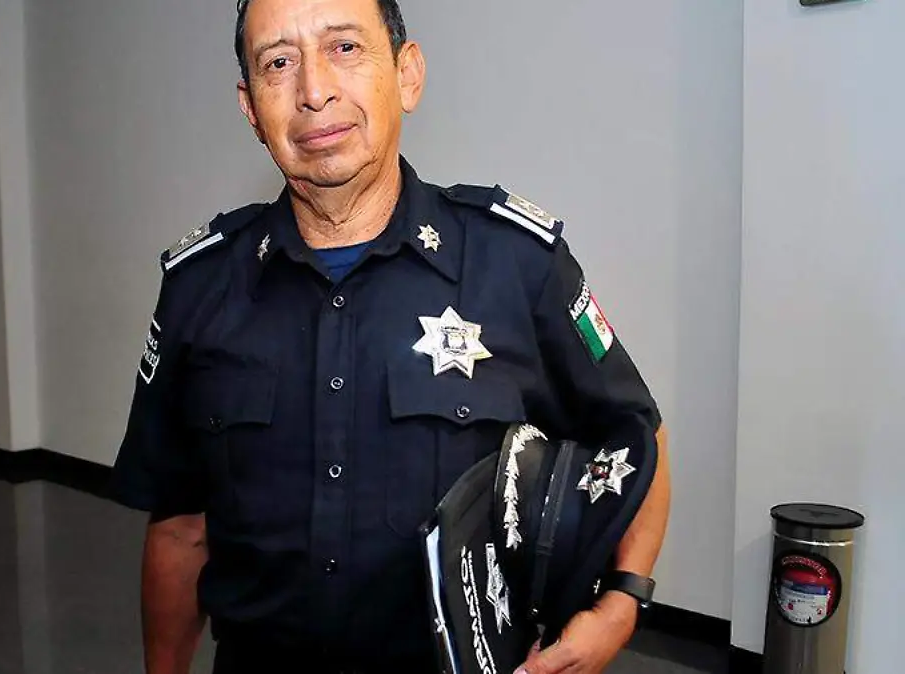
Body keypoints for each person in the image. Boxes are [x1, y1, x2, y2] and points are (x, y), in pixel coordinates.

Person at [108, 0, 672, 673]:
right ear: (251, 108)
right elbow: (180, 530)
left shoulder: (515, 266)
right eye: (278, 63)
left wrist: (622, 602)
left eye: (344, 48)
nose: (314, 91)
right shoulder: (200, 288)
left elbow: (637, 432)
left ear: (408, 74)